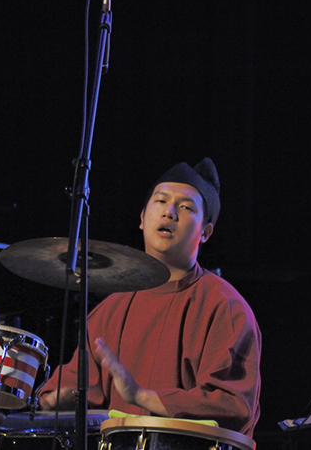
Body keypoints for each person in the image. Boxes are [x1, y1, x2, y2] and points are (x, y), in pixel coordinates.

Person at [38, 158, 262, 437]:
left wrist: (140, 395)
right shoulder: (111, 310)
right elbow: (77, 386)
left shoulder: (224, 306)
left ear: (205, 233)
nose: (170, 212)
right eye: (161, 201)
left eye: (186, 207)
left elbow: (232, 405)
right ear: (143, 219)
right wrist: (57, 399)